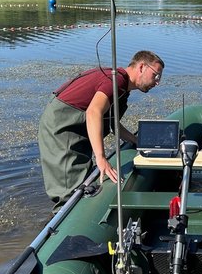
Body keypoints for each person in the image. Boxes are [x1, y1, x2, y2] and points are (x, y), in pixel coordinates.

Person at [38, 51, 164, 209]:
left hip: (76, 127)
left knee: (83, 177)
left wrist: (134, 140)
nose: (157, 82)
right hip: (63, 127)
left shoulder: (123, 87)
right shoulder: (116, 80)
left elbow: (111, 122)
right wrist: (101, 158)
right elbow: (94, 112)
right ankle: (61, 223)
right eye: (156, 76)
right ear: (141, 67)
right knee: (70, 189)